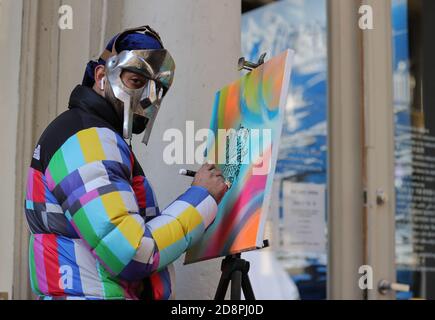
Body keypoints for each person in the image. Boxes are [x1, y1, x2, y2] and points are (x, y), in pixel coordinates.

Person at [24, 25, 228, 300]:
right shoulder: (88, 139)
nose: (147, 98)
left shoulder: (88, 134)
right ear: (101, 76)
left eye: (158, 88)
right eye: (136, 80)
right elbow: (131, 253)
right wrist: (200, 198)